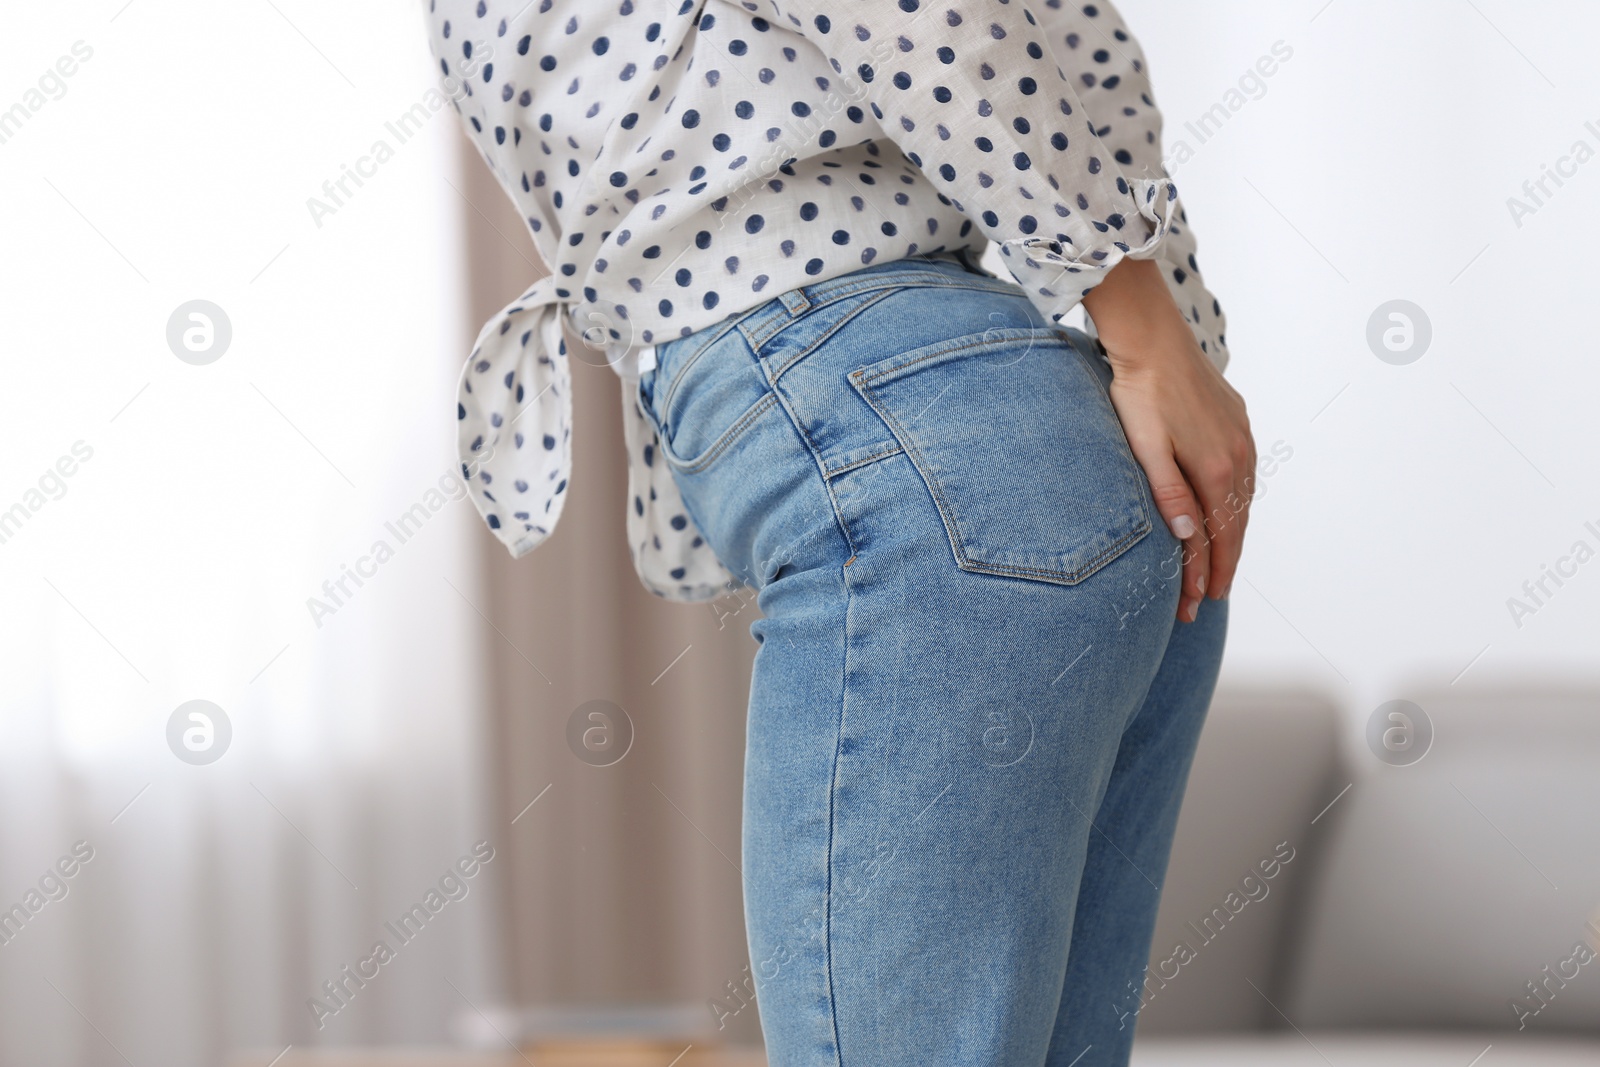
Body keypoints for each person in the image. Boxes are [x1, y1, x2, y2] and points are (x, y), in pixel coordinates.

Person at [424, 1, 1254, 1063]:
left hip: (919, 452)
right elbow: (1069, 40)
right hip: (1028, 451)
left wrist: (1154, 338)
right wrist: (1170, 353)